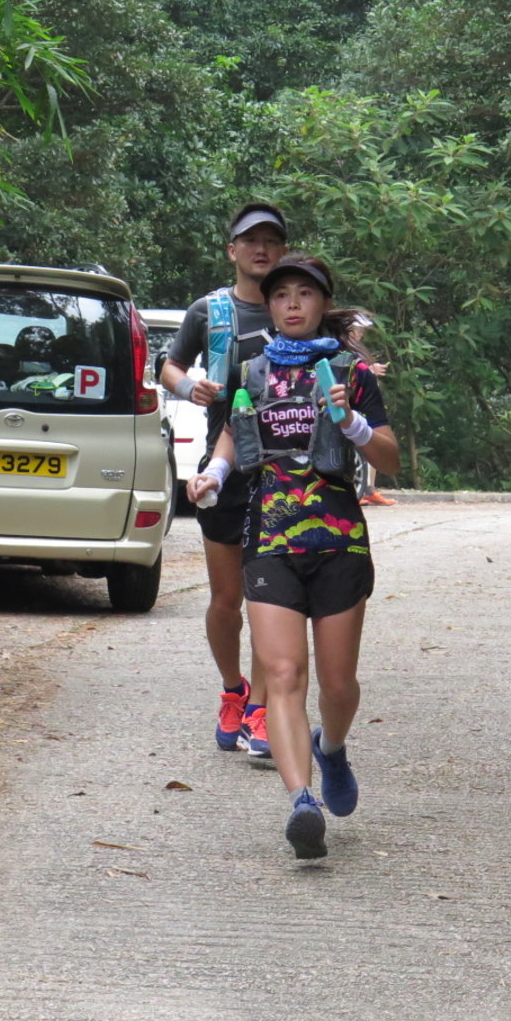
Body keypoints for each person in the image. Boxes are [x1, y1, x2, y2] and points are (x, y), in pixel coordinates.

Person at [187, 255, 399, 859]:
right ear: (271, 306)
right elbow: (232, 436)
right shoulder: (252, 371)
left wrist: (352, 423)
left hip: (338, 542)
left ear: (322, 303)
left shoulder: (351, 372)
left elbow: (390, 459)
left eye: (305, 294)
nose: (293, 304)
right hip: (271, 542)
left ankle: (331, 748)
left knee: (338, 684)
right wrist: (213, 475)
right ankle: (302, 803)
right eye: (281, 295)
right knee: (282, 675)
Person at [161, 203, 287, 757]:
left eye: (271, 241)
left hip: (283, 472)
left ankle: (261, 708)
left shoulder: (295, 308)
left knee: (269, 598)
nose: (261, 249)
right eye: (250, 241)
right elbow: (168, 367)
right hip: (223, 466)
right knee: (225, 600)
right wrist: (189, 388)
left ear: (283, 251)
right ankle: (233, 690)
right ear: (232, 250)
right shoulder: (208, 311)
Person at [347, 312, 396, 506]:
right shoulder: (342, 347)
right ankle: (359, 488)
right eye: (357, 329)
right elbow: (346, 371)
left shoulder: (358, 348)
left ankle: (370, 489)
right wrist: (369, 370)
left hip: (365, 403)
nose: (360, 334)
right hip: (351, 405)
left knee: (374, 439)